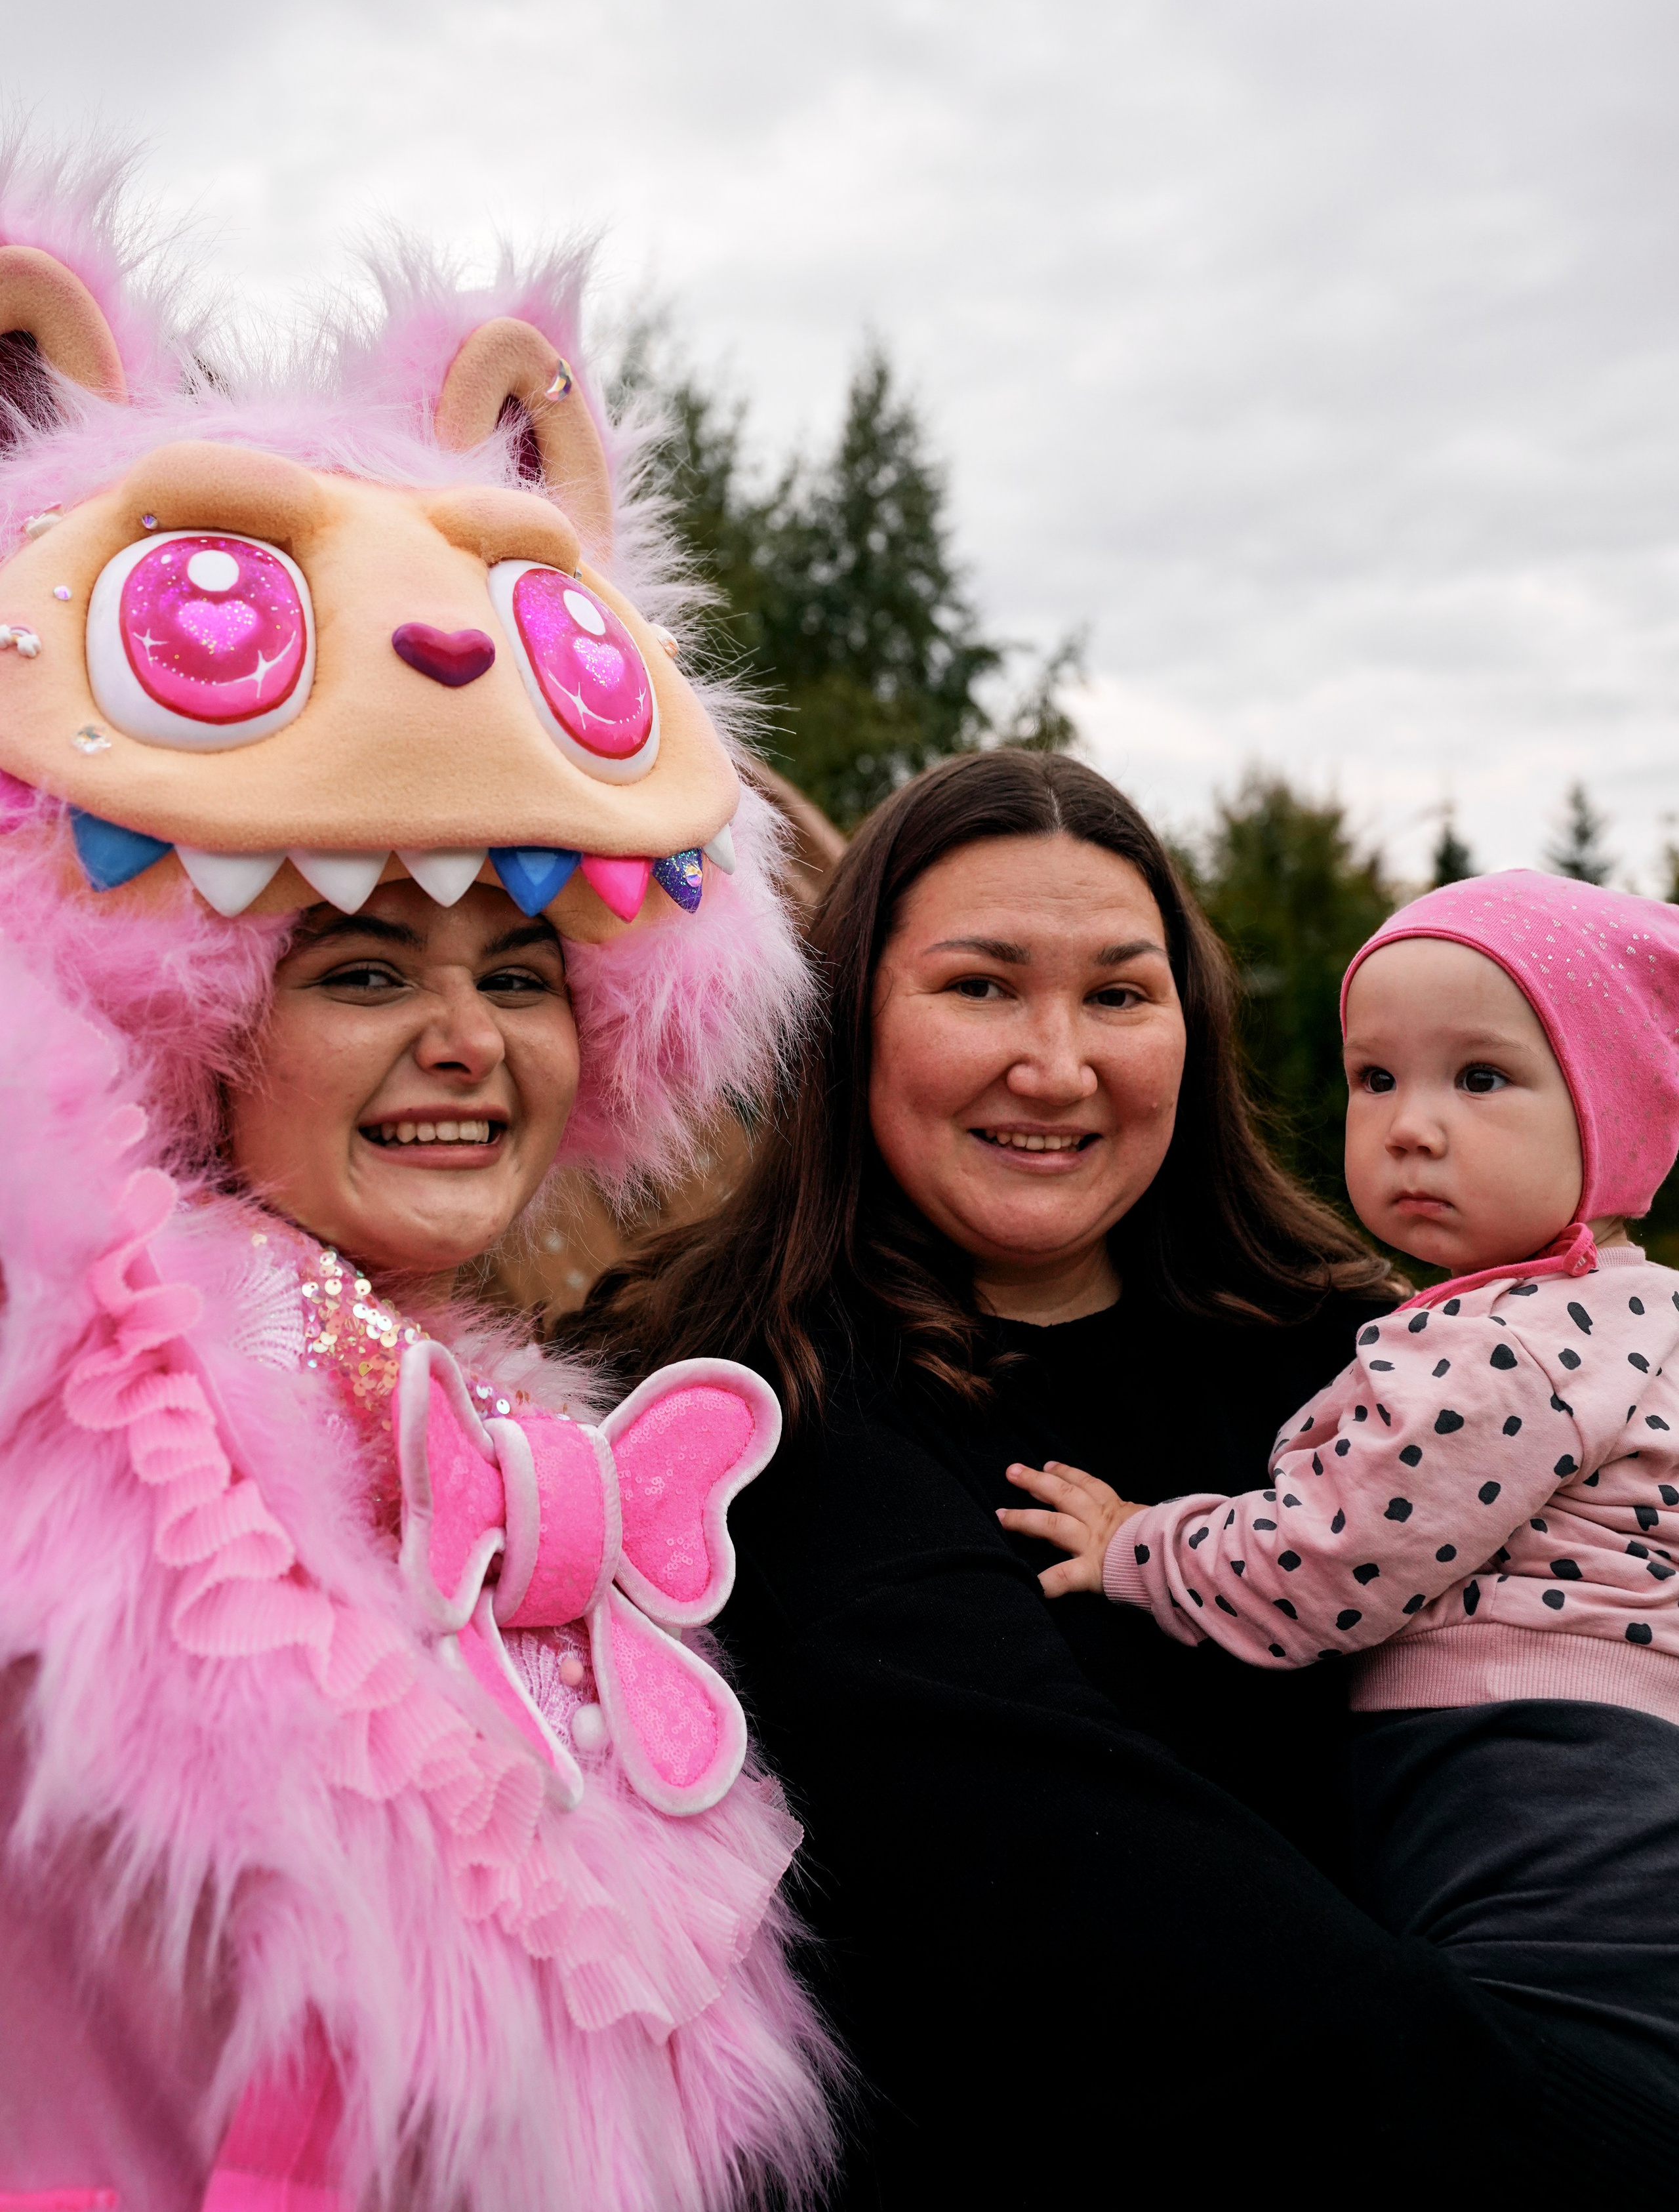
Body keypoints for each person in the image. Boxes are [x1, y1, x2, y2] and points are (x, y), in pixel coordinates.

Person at [0, 154, 832, 2210]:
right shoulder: (75, 1408)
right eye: (364, 969)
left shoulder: (476, 1409)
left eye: (522, 974)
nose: (470, 1039)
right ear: (198, 1012)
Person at [580, 750, 1679, 2201]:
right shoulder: (750, 1409)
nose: (1057, 1064)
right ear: (843, 1018)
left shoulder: (1373, 1363)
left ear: (1190, 1030)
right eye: (981, 985)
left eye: (1117, 994)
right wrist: (1594, 2134)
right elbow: (1077, 1888)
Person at [1005, 870, 1679, 2089]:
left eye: (1481, 1078)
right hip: (1617, 1792)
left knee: (1542, 2094)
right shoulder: (1636, 1312)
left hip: (1538, 1802)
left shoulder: (1505, 1352)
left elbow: (1325, 1563)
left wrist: (1138, 1542)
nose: (1411, 1125)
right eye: (1376, 1078)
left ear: (1613, 1110)